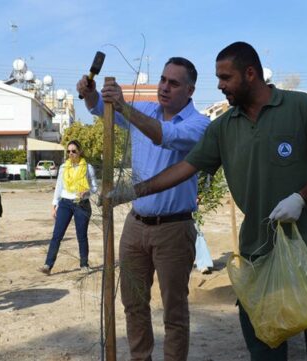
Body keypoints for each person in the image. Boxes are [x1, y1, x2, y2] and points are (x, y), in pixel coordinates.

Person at [116, 41, 307, 360]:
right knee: (263, 336)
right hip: (256, 248)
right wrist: (135, 191)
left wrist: (302, 196)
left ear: (250, 74)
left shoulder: (300, 107)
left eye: (226, 78)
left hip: (304, 245)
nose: (220, 85)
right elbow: (186, 167)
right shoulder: (224, 126)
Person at [77, 56, 210, 360]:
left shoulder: (199, 125)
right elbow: (101, 109)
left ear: (190, 90)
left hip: (174, 229)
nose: (164, 87)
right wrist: (91, 94)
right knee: (133, 304)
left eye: (173, 83)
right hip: (136, 225)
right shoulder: (147, 109)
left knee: (174, 312)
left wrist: (124, 106)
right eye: (163, 79)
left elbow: (164, 136)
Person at [38, 140, 97, 275]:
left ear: (79, 151)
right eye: (68, 151)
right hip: (65, 203)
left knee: (81, 236)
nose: (71, 153)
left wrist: (87, 192)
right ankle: (48, 265)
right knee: (57, 235)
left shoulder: (88, 167)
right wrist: (54, 205)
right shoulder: (64, 167)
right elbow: (59, 186)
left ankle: (84, 264)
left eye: (73, 151)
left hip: (81, 204)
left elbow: (95, 187)